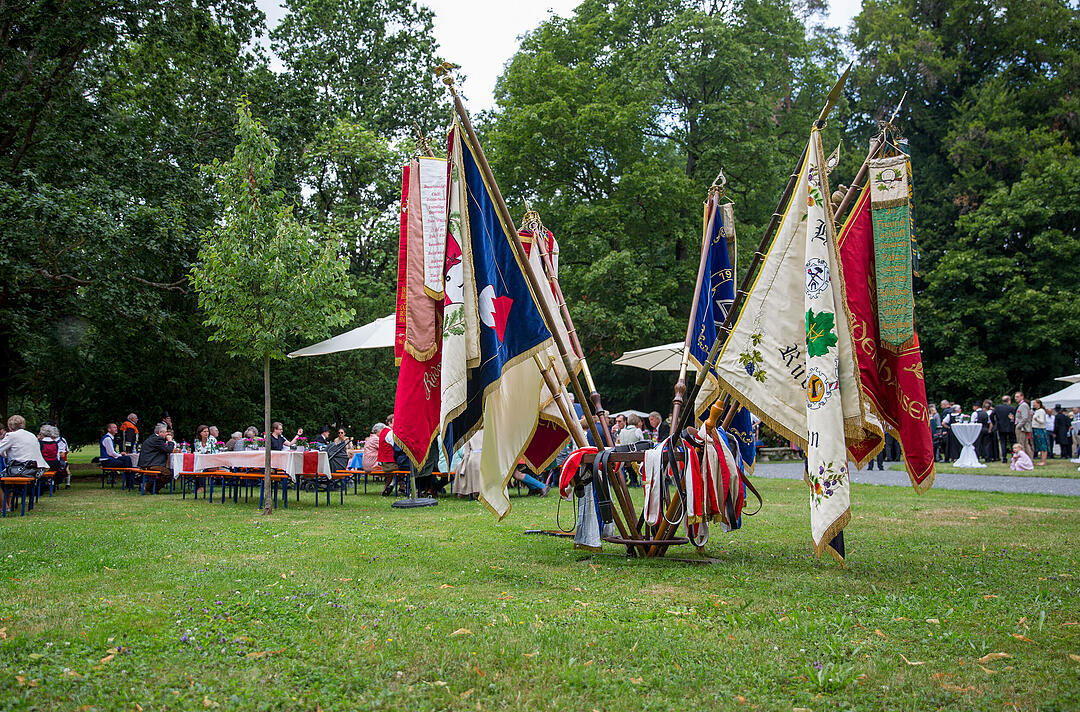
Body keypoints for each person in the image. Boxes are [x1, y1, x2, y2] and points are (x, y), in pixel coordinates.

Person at [0, 416, 48, 510]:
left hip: (20, 470)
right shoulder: (31, 435)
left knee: (5, 478)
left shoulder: (11, 436)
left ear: (9, 427)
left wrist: (5, 455)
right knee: (7, 479)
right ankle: (7, 505)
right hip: (35, 470)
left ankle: (5, 507)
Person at [992, 395, 1016, 464]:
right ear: (1009, 401)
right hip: (1010, 426)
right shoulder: (1012, 408)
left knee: (1003, 443)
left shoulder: (997, 408)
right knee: (1012, 442)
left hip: (1001, 427)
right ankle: (1013, 455)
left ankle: (1004, 458)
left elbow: (991, 416)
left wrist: (995, 422)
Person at [1014, 392, 1033, 458]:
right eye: (1015, 397)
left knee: (1021, 444)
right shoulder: (1021, 405)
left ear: (1022, 397)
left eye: (1017, 396)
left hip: (1022, 428)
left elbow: (1025, 417)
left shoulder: (1023, 405)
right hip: (1021, 427)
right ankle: (1027, 458)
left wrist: (1019, 425)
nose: (1016, 398)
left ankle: (1025, 458)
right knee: (1024, 443)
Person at [1031, 398, 1049, 466]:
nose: (1033, 405)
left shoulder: (1041, 411)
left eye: (1034, 404)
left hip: (1040, 429)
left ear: (1038, 404)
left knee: (1043, 445)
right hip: (1036, 429)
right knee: (1040, 445)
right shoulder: (1037, 411)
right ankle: (1042, 460)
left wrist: (1036, 419)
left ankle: (1043, 461)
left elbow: (1042, 421)